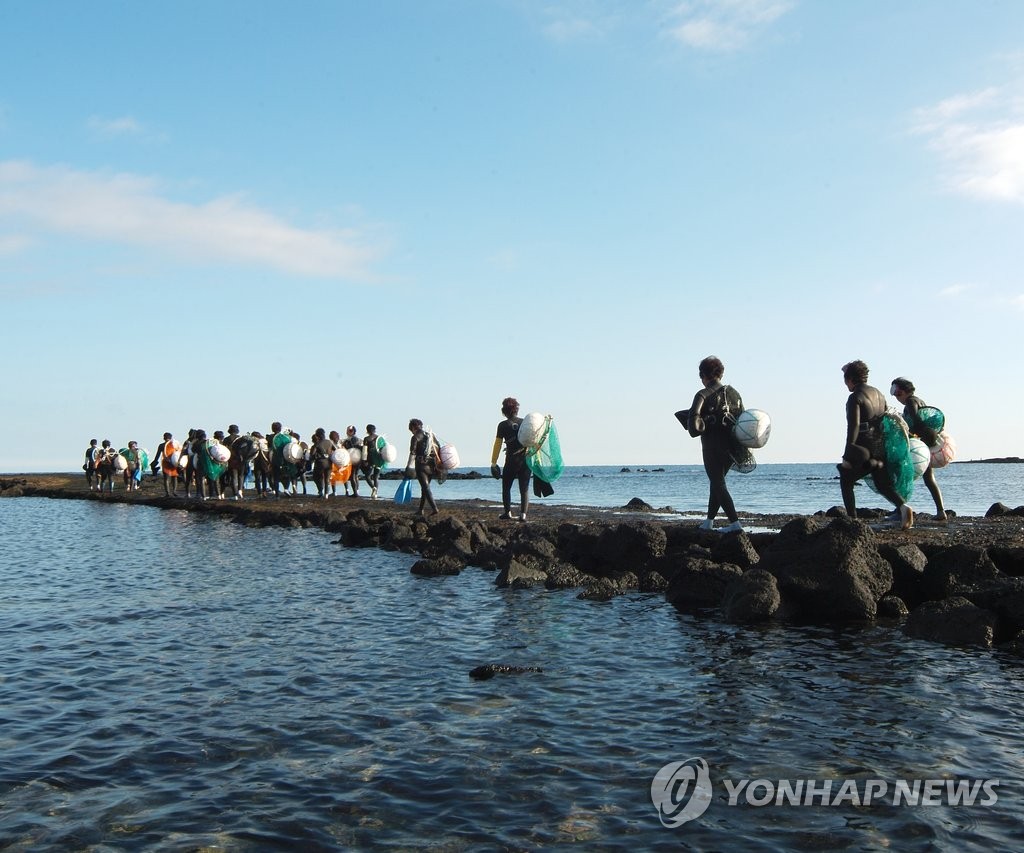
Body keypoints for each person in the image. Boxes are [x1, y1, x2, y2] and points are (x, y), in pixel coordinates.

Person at [838, 360, 913, 529]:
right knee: (882, 483)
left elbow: (854, 427)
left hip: (863, 446)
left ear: (850, 379)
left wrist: (847, 453)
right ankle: (903, 507)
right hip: (880, 445)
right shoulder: (879, 394)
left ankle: (852, 521)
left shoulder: (855, 397)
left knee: (845, 477)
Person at [682, 356, 745, 533]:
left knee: (718, 483)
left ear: (703, 375)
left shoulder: (702, 394)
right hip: (733, 446)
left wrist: (701, 422)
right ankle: (709, 521)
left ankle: (735, 525)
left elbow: (694, 429)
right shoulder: (734, 394)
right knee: (717, 483)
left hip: (711, 447)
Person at [891, 377, 947, 525]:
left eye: (895, 392)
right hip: (926, 445)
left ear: (901, 391)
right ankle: (941, 511)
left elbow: (916, 421)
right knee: (929, 479)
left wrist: (906, 433)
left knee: (902, 475)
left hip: (918, 446)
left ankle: (899, 511)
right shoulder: (919, 400)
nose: (896, 397)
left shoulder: (910, 402)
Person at [490, 397, 531, 522]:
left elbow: (497, 445)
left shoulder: (502, 425)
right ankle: (523, 514)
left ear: (504, 411)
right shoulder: (524, 423)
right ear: (516, 409)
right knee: (524, 488)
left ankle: (507, 512)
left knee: (506, 487)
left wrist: (493, 462)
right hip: (525, 460)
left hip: (511, 461)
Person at [406, 418, 441, 517]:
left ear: (413, 427)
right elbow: (438, 447)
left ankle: (434, 508)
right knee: (424, 488)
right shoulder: (430, 435)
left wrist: (408, 466)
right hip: (432, 465)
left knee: (425, 488)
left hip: (421, 466)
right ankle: (420, 510)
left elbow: (413, 452)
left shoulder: (415, 437)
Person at [309, 427, 336, 499]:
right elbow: (336, 450)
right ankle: (326, 494)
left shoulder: (317, 444)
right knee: (327, 479)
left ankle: (320, 491)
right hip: (329, 463)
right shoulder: (330, 442)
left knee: (316, 477)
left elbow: (312, 454)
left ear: (317, 435)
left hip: (320, 463)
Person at [154, 432, 180, 497]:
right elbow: (178, 452)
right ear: (171, 438)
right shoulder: (174, 444)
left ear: (164, 438)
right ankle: (174, 491)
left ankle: (167, 493)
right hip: (174, 462)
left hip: (165, 462)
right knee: (174, 477)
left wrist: (155, 462)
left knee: (166, 478)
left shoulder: (161, 445)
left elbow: (157, 455)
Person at [362, 424, 384, 499]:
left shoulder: (366, 439)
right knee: (376, 477)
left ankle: (373, 488)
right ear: (374, 430)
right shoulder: (380, 438)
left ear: (367, 430)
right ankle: (375, 493)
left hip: (370, 459)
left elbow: (364, 451)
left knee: (367, 476)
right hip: (379, 459)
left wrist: (364, 460)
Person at [343, 426, 362, 497]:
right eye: (348, 430)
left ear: (353, 431)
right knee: (355, 475)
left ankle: (355, 493)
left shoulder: (351, 440)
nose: (348, 432)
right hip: (358, 458)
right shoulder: (358, 439)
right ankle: (356, 491)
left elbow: (349, 448)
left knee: (352, 476)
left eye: (350, 431)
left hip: (353, 459)